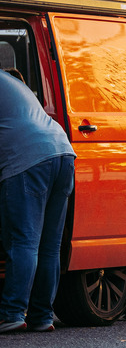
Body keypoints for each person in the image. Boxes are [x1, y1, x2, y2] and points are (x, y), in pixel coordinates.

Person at [0, 70, 75, 333]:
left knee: (23, 241)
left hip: (29, 160)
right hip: (62, 152)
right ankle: (42, 316)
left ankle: (11, 313)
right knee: (49, 246)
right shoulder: (13, 84)